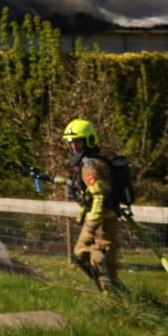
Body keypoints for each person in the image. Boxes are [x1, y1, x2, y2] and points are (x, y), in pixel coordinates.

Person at [63, 118, 121, 294]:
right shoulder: (88, 162)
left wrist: (90, 225)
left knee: (99, 259)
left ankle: (113, 298)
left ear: (89, 140)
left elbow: (100, 197)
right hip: (97, 219)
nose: (74, 146)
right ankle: (112, 294)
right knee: (85, 256)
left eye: (78, 141)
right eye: (72, 142)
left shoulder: (90, 166)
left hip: (102, 222)